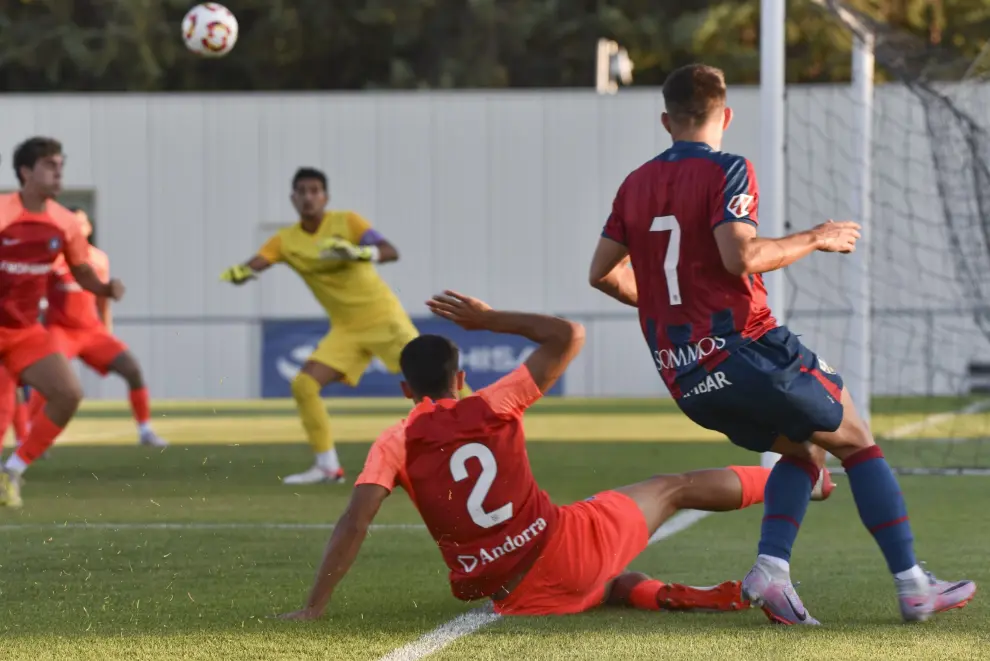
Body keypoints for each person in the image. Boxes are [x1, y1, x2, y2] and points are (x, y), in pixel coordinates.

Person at [587, 63, 975, 624]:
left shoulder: (634, 184)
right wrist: (817, 237)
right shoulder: (728, 169)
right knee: (859, 440)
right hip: (747, 349)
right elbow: (740, 256)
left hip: (685, 374)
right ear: (726, 115)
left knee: (804, 449)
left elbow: (602, 274)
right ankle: (915, 585)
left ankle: (770, 573)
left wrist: (668, 311)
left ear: (666, 120)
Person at [277, 291, 834, 621]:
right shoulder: (494, 403)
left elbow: (354, 522)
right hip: (564, 550)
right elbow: (567, 335)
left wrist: (314, 607)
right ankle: (804, 478)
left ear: (405, 390)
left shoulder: (393, 440)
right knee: (672, 487)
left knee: (610, 577)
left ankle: (697, 597)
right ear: (462, 378)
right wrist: (489, 320)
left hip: (516, 597)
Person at [220, 167, 469, 485]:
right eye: (302, 191)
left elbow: (390, 251)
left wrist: (360, 252)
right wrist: (241, 272)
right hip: (346, 329)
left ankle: (485, 431)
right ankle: (327, 467)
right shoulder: (286, 241)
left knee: (437, 380)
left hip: (383, 318)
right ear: (293, 198)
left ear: (325, 197)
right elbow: (260, 260)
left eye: (315, 191)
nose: (308, 197)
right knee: (304, 385)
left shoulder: (347, 222)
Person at [0, 137, 125, 507]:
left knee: (68, 394)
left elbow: (81, 270)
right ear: (26, 172)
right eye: (50, 165)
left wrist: (105, 287)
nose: (59, 172)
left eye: (61, 164)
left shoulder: (65, 222)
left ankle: (14, 469)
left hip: (24, 331)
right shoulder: (4, 213)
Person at [24, 210, 166, 448]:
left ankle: (145, 430)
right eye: (74, 223)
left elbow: (102, 300)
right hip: (60, 330)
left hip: (91, 332)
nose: (78, 227)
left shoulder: (99, 259)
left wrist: (107, 330)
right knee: (48, 381)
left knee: (132, 369)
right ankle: (29, 435)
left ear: (89, 228)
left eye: (82, 222)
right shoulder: (55, 258)